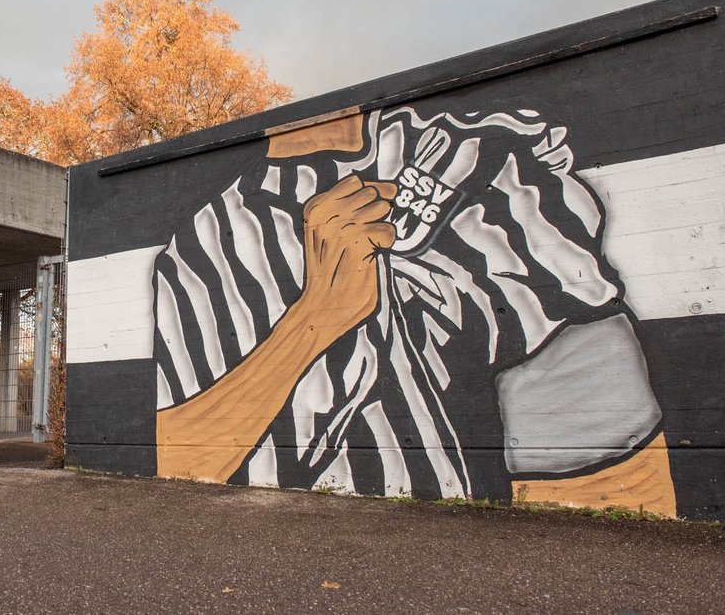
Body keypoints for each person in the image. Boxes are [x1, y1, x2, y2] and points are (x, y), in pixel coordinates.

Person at [152, 106, 670, 507]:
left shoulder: (478, 162)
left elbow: (609, 465)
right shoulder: (197, 249)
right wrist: (317, 316)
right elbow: (176, 458)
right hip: (273, 546)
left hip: (448, 556)